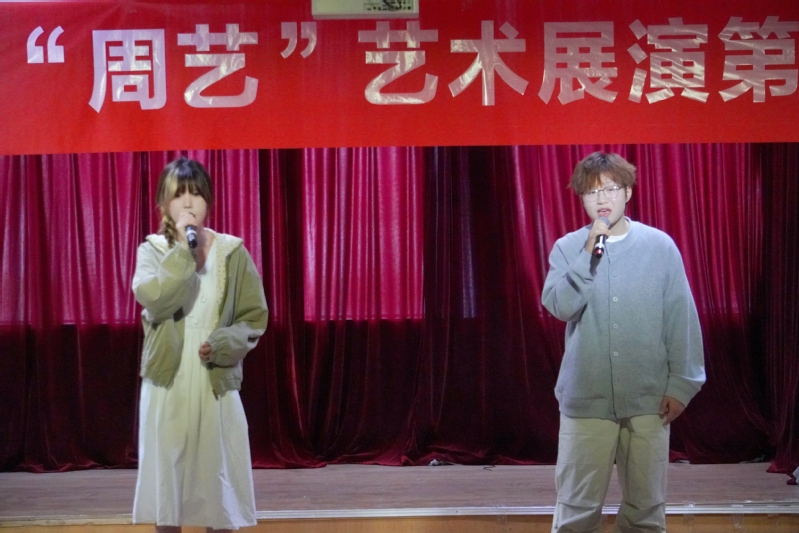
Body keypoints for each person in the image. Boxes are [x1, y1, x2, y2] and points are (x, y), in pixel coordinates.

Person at [541, 152, 705, 533]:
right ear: (581, 199)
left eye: (611, 189)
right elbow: (561, 307)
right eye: (591, 192)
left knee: (645, 512)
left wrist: (682, 385)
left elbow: (681, 318)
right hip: (587, 401)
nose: (602, 199)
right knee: (576, 511)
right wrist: (588, 253)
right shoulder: (568, 247)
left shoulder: (660, 247)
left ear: (628, 192)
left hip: (649, 400)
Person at [131, 157, 268, 532]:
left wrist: (223, 343)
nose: (188, 203)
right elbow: (157, 300)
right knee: (169, 487)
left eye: (196, 194)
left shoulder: (232, 252)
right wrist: (182, 253)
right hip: (169, 380)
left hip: (214, 377)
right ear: (164, 203)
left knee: (217, 485)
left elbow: (254, 317)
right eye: (178, 195)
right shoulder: (152, 251)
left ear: (209, 200)